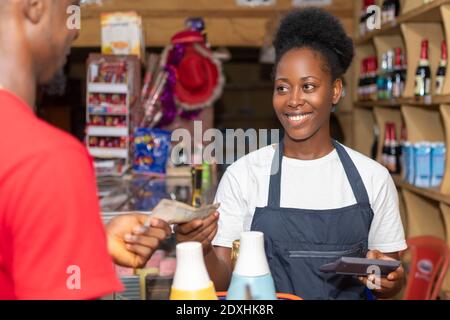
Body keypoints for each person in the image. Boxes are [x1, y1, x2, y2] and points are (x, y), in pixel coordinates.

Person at [173, 8, 407, 300]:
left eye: (308, 86)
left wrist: (390, 281)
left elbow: (387, 280)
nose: (294, 100)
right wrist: (199, 248)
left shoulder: (373, 178)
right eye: (282, 87)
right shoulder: (243, 176)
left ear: (335, 91)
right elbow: (222, 279)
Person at [0, 0, 171, 299]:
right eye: (71, 8)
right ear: (35, 6)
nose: (75, 29)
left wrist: (85, 246)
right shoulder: (49, 158)